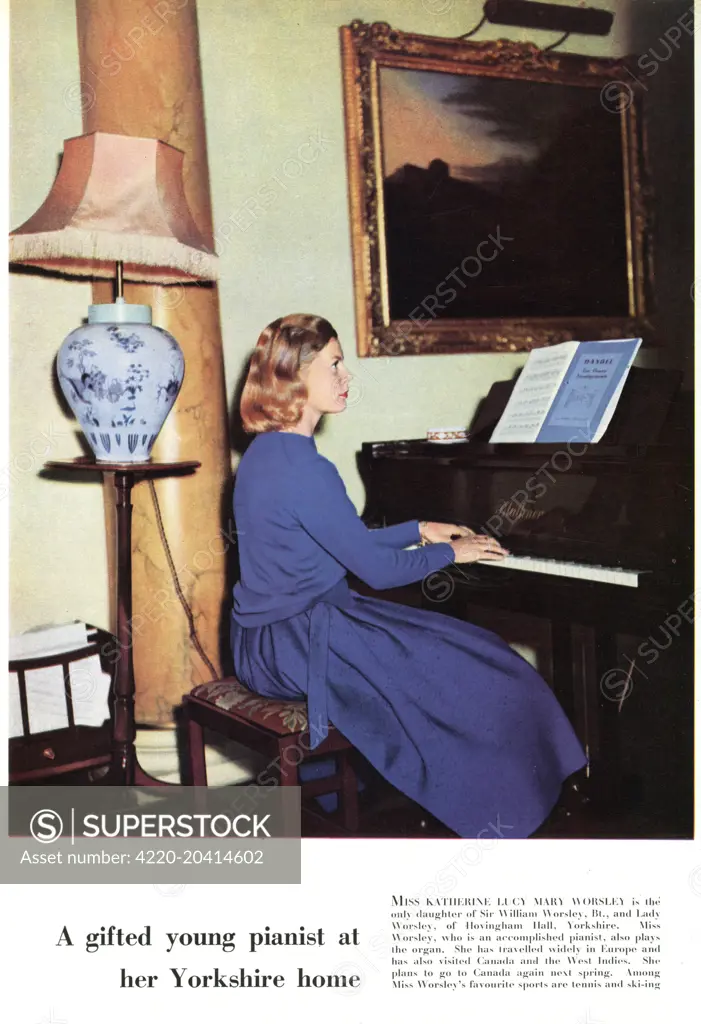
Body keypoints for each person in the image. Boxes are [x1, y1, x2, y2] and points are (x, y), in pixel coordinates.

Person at [230, 313, 587, 838]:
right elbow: (373, 570)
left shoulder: (269, 453)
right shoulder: (304, 467)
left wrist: (419, 529)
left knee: (469, 652)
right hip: (296, 642)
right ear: (296, 375)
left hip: (269, 637)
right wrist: (454, 554)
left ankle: (498, 796)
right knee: (485, 669)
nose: (346, 375)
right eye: (334, 363)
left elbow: (336, 547)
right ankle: (501, 814)